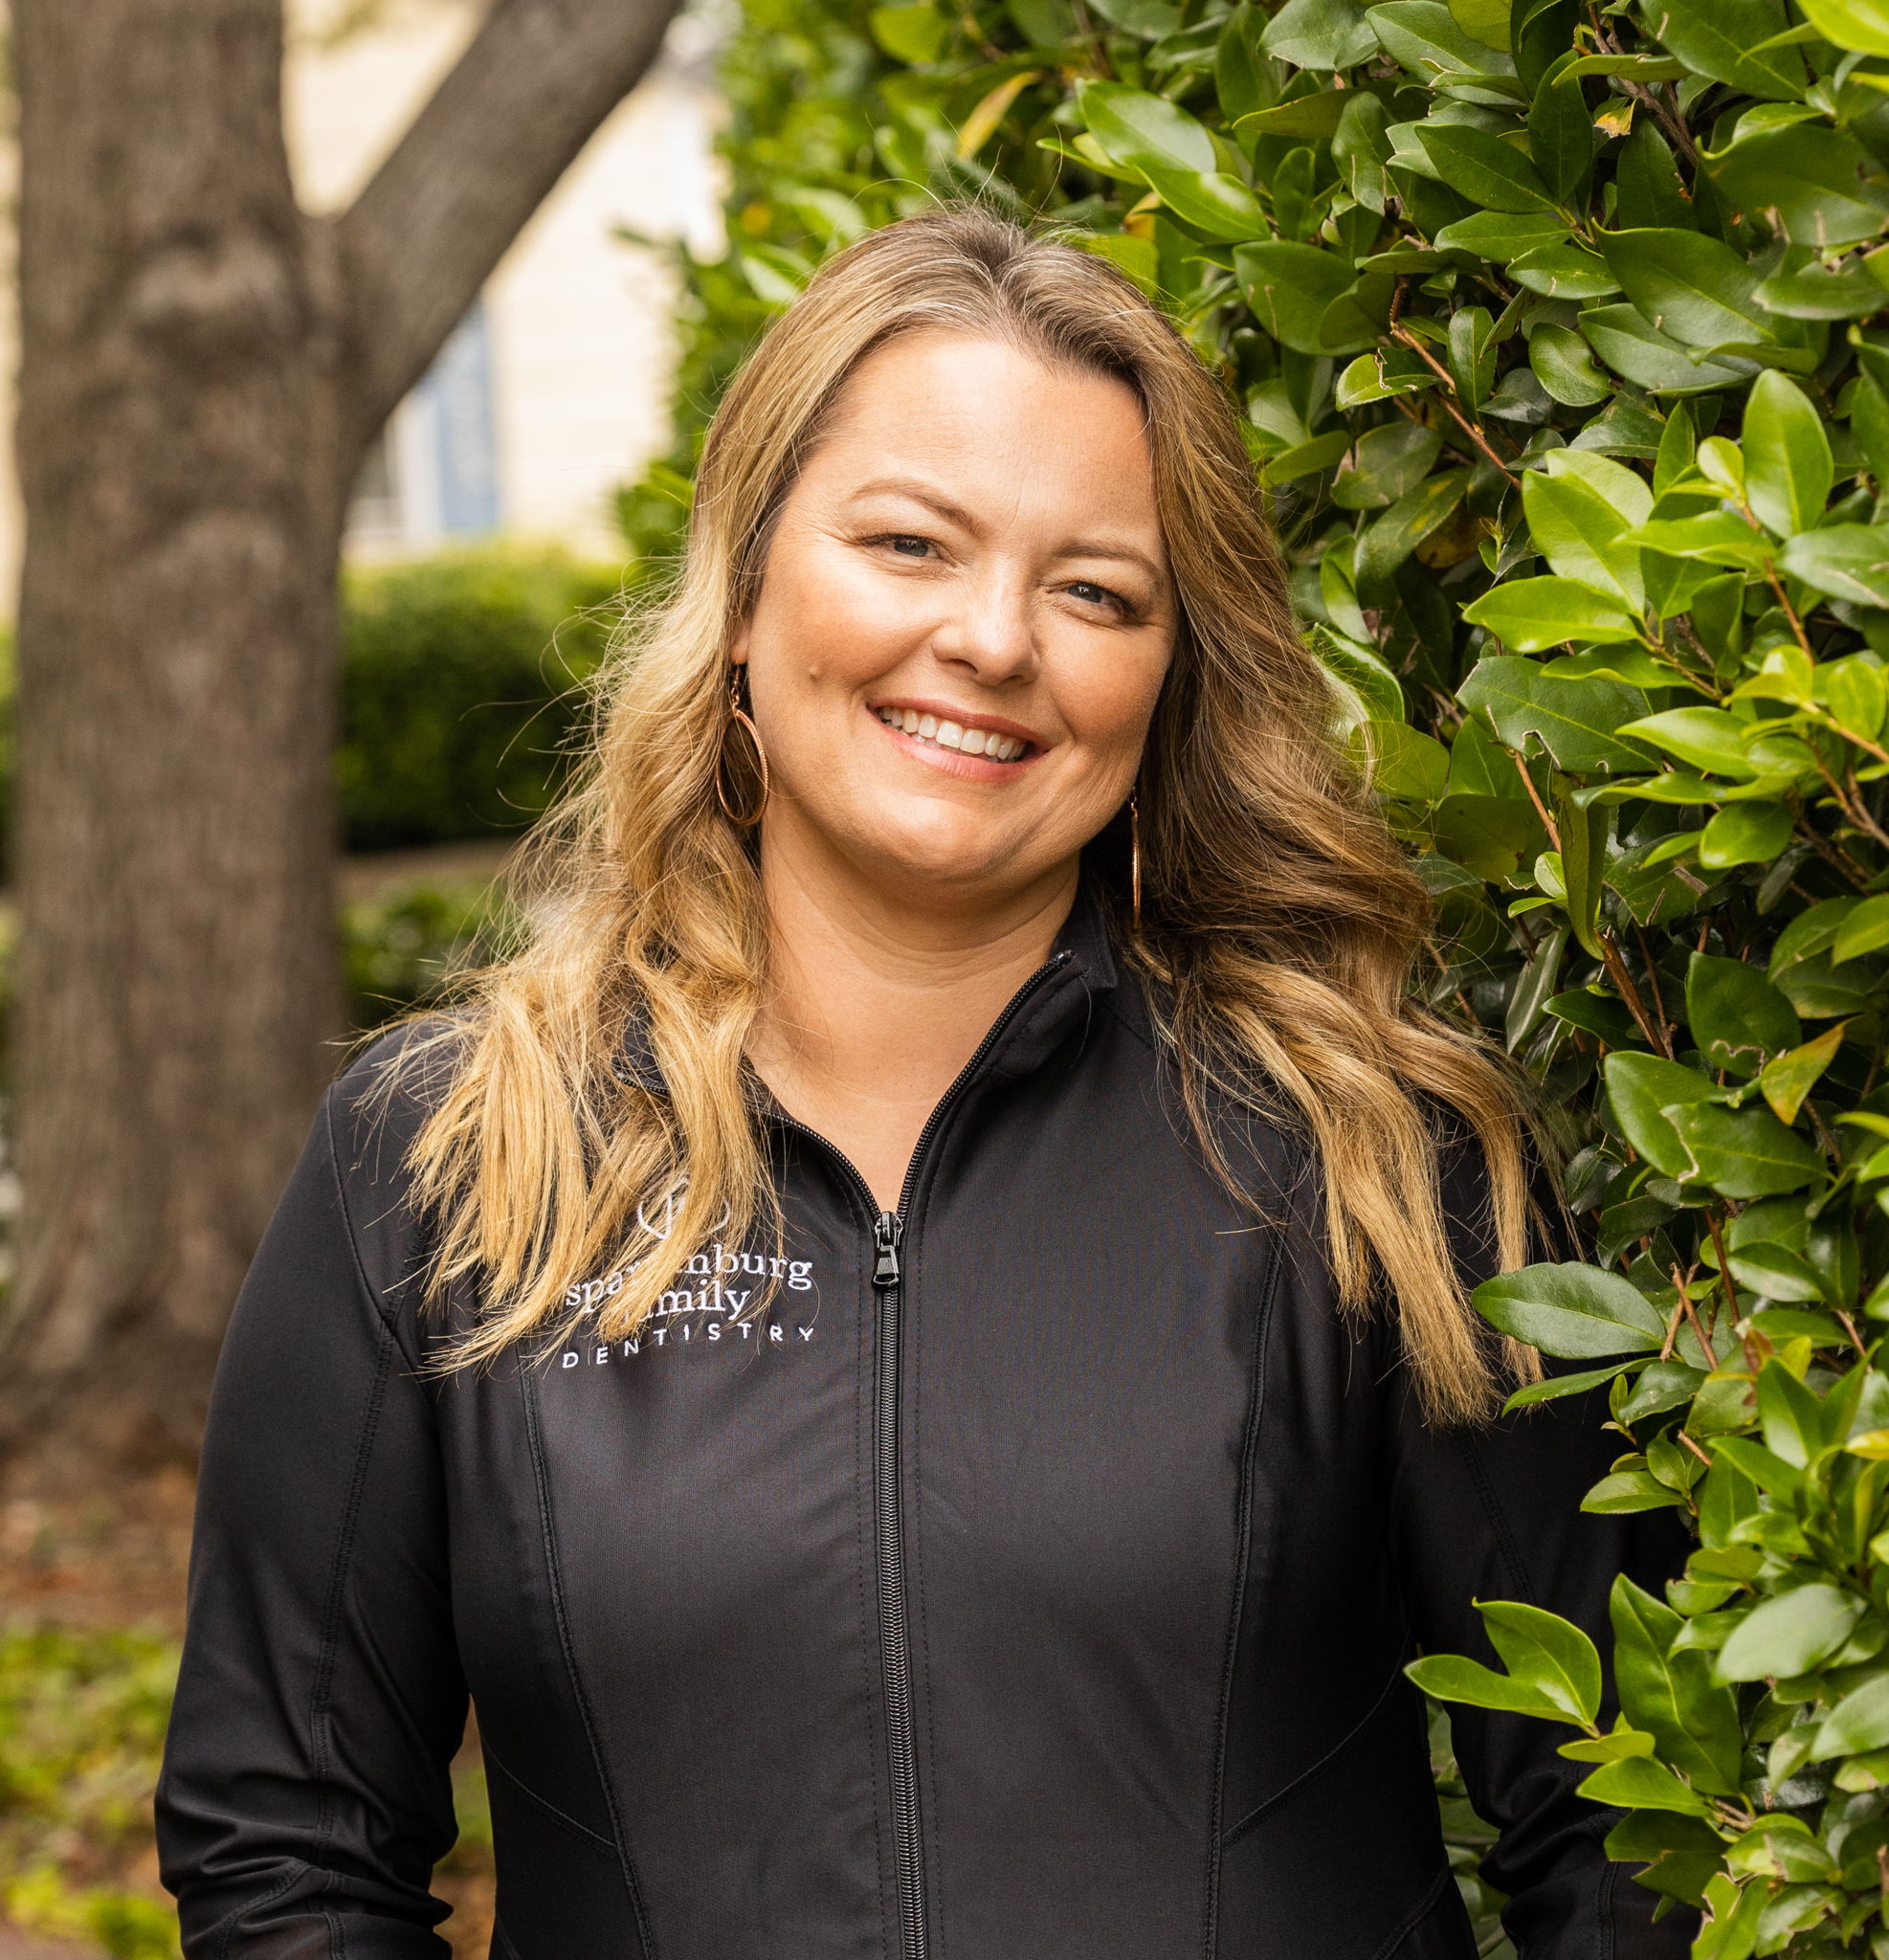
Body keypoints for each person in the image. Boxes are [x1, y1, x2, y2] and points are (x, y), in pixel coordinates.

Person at [156, 207, 1687, 1959]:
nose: (990, 640)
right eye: (908, 542)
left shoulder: (1369, 1156)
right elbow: (286, 1841)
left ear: (1167, 677)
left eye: (1093, 590)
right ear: (743, 593)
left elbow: (1623, 1810)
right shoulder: (450, 1154)